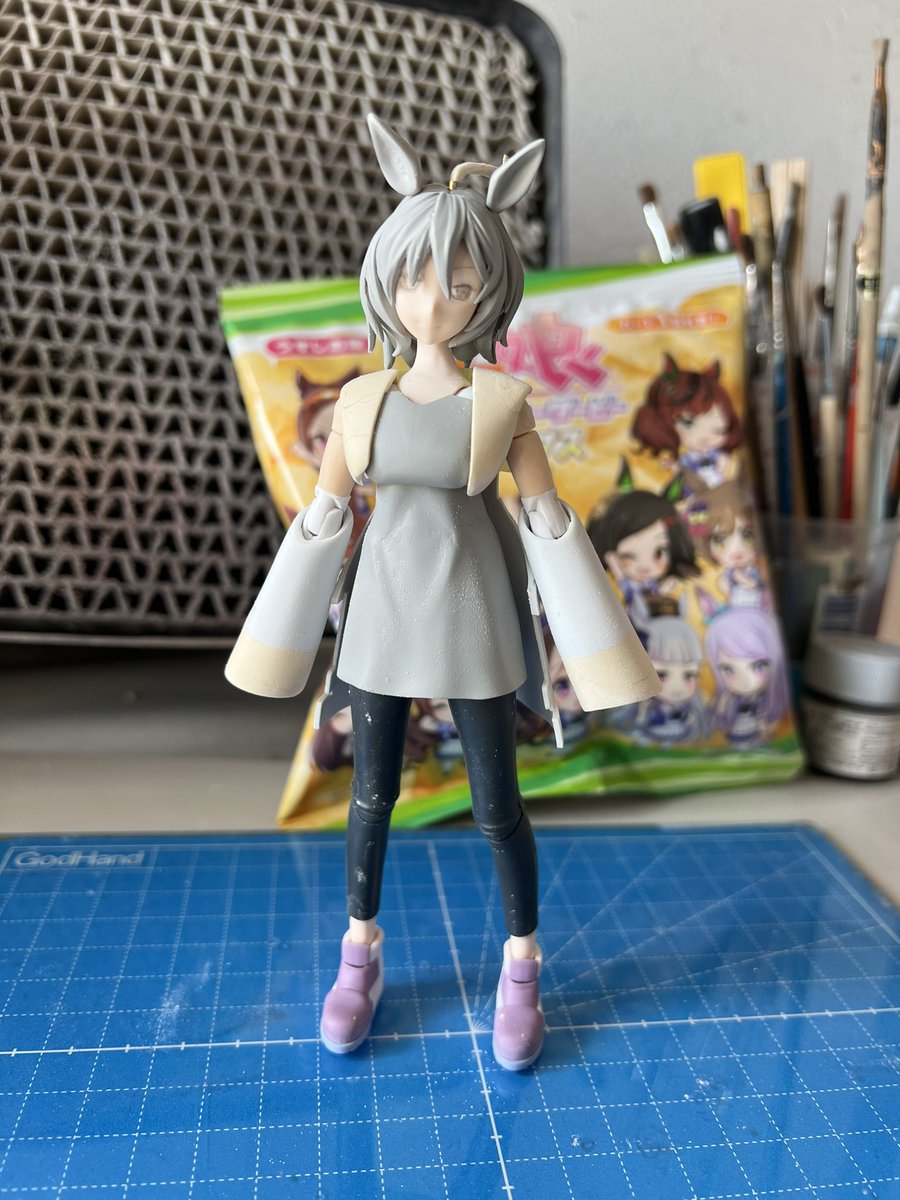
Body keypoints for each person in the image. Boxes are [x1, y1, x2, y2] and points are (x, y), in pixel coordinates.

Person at [225, 116, 660, 1070]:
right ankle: (359, 954)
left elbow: (548, 523)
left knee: (498, 804)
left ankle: (522, 965)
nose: (434, 300)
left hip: (474, 611)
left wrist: (600, 652)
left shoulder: (502, 403)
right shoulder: (361, 402)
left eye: (460, 283)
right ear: (387, 281)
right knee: (371, 796)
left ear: (489, 292)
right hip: (382, 612)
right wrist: (275, 644)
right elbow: (324, 519)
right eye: (416, 280)